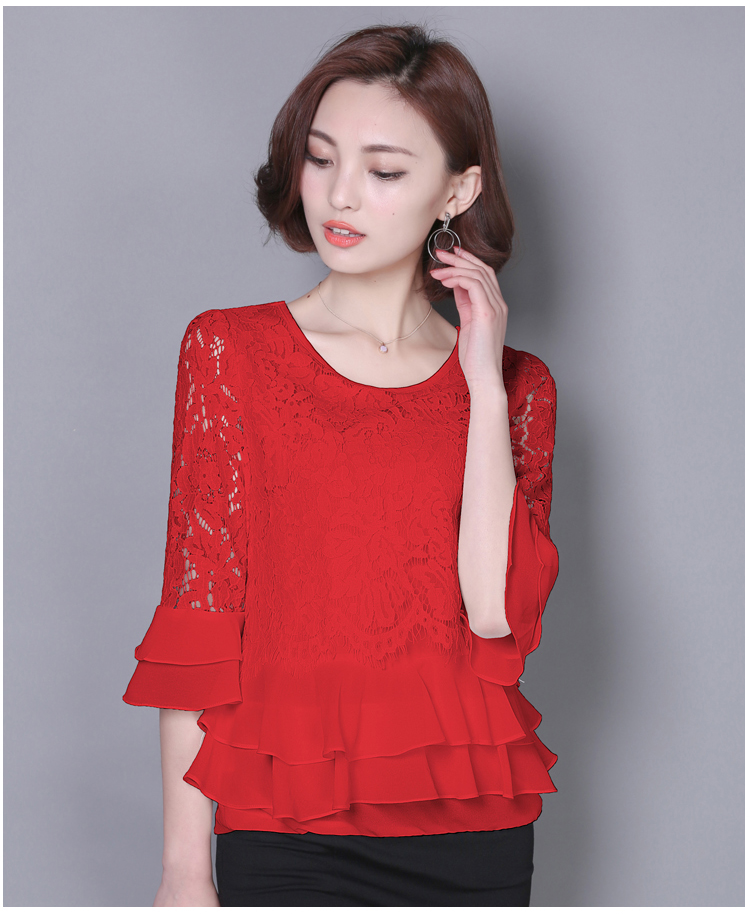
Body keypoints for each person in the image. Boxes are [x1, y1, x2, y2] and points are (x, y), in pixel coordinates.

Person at [123, 23, 560, 907]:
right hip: (284, 833)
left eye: (384, 170)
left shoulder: (518, 387)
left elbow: (491, 613)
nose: (340, 195)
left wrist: (481, 383)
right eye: (321, 159)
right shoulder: (229, 352)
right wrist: (182, 873)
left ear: (457, 190)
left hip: (474, 833)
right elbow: (199, 624)